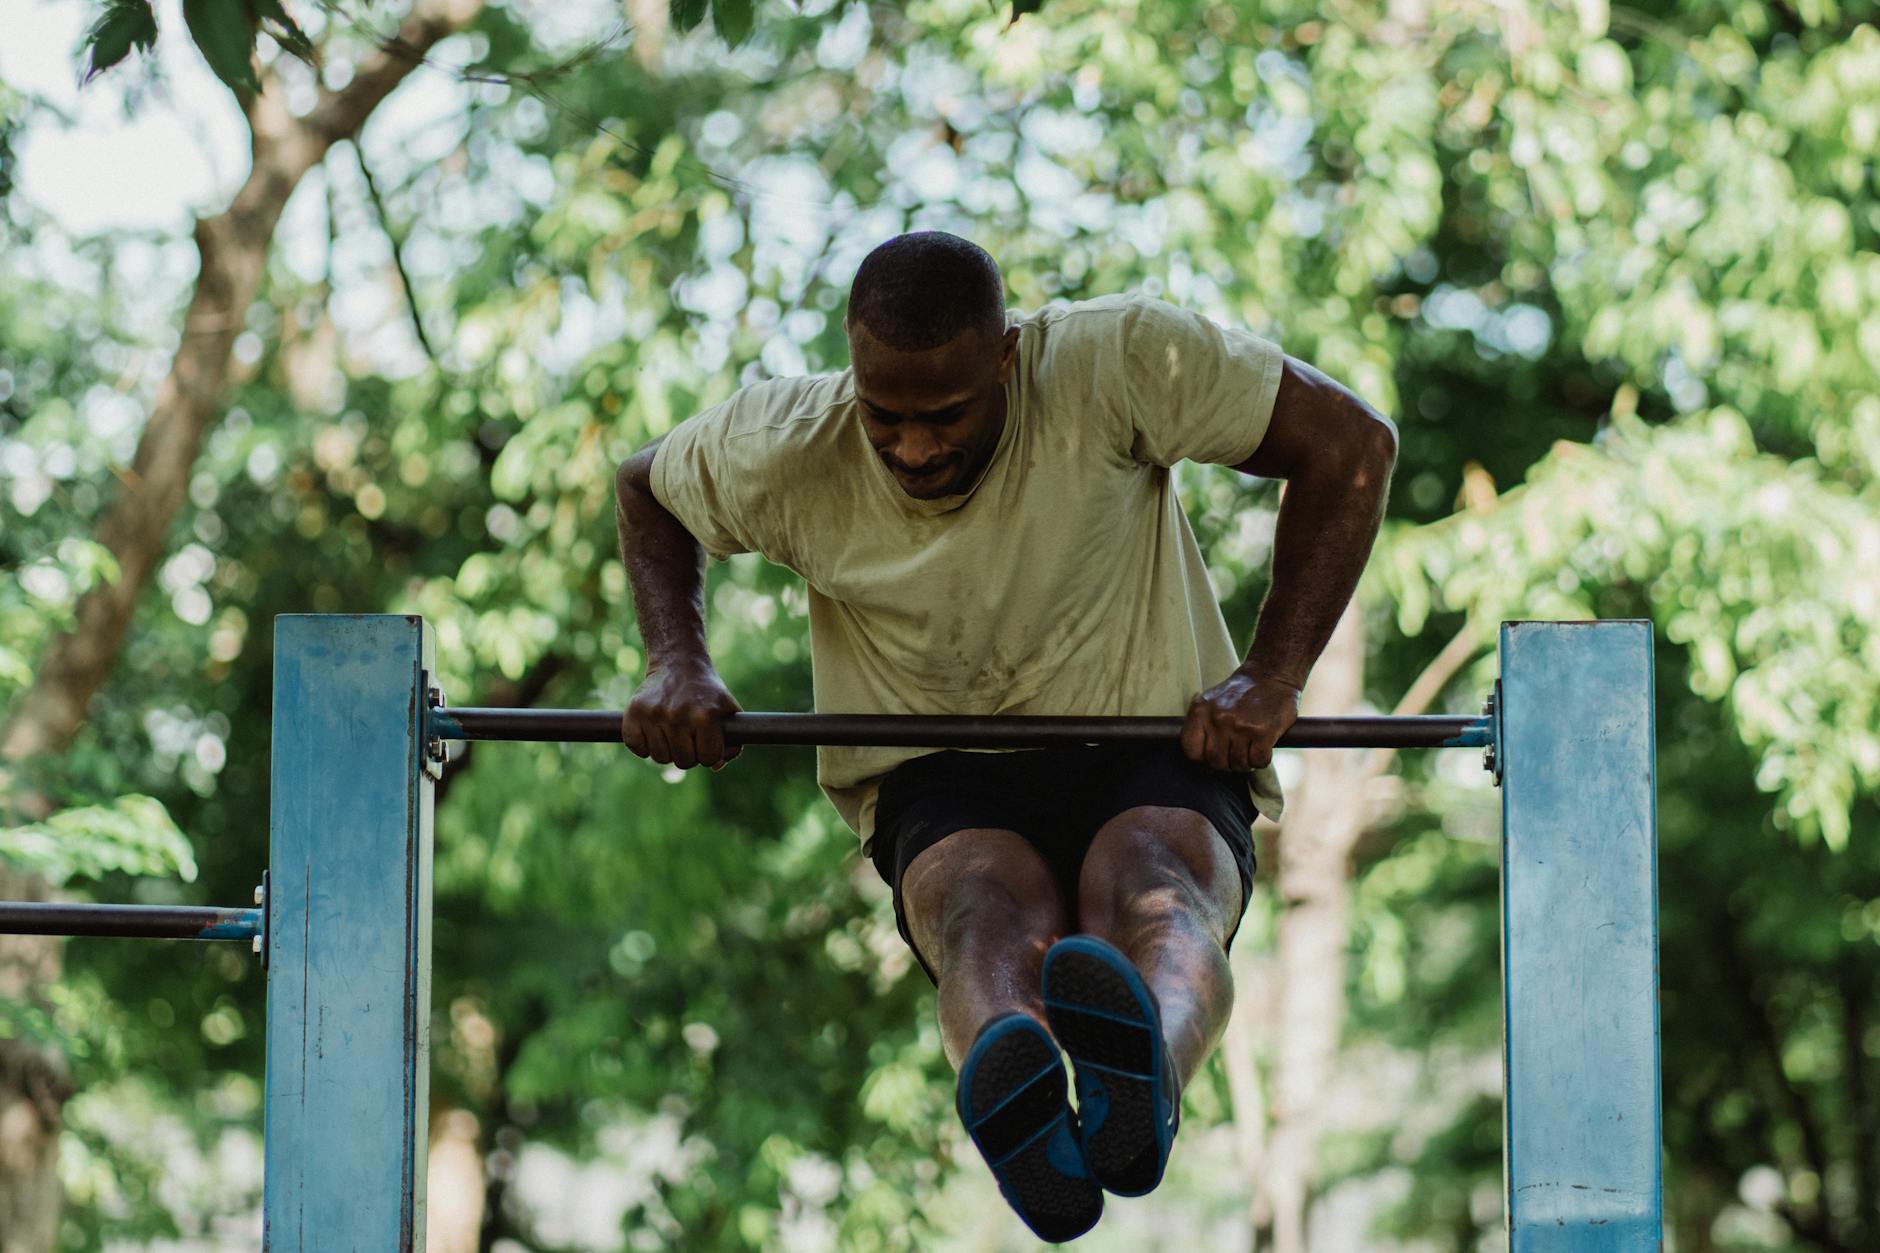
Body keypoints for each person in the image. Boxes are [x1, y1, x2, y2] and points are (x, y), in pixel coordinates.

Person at [613, 231, 1396, 1242]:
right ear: (850, 372)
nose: (912, 447)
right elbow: (647, 488)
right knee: (982, 909)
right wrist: (675, 658)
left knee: (1152, 877)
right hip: (937, 762)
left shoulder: (1113, 360)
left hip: (1145, 730)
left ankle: (1141, 1071)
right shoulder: (785, 440)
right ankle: (1014, 1076)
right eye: (882, 414)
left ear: (1005, 357)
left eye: (944, 416)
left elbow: (1349, 446)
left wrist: (1271, 674)